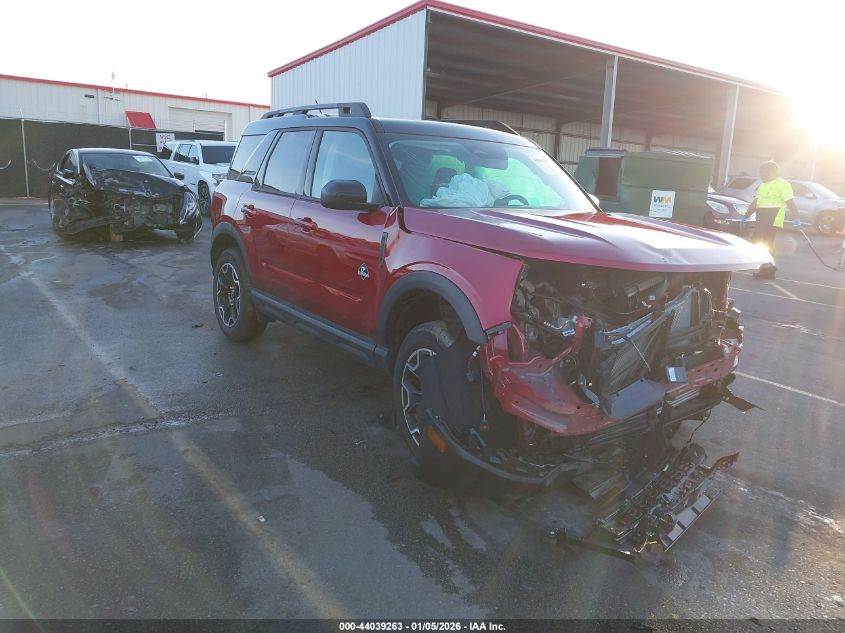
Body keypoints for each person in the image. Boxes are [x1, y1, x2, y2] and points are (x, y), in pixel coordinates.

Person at [746, 161, 801, 279]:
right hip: (761, 218)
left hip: (773, 218)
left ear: (772, 172)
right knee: (757, 241)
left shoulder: (783, 184)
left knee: (766, 243)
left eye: (763, 172)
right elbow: (756, 202)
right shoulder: (762, 185)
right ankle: (767, 267)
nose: (760, 174)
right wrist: (745, 215)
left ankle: (768, 269)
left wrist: (796, 218)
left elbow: (790, 201)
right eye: (760, 172)